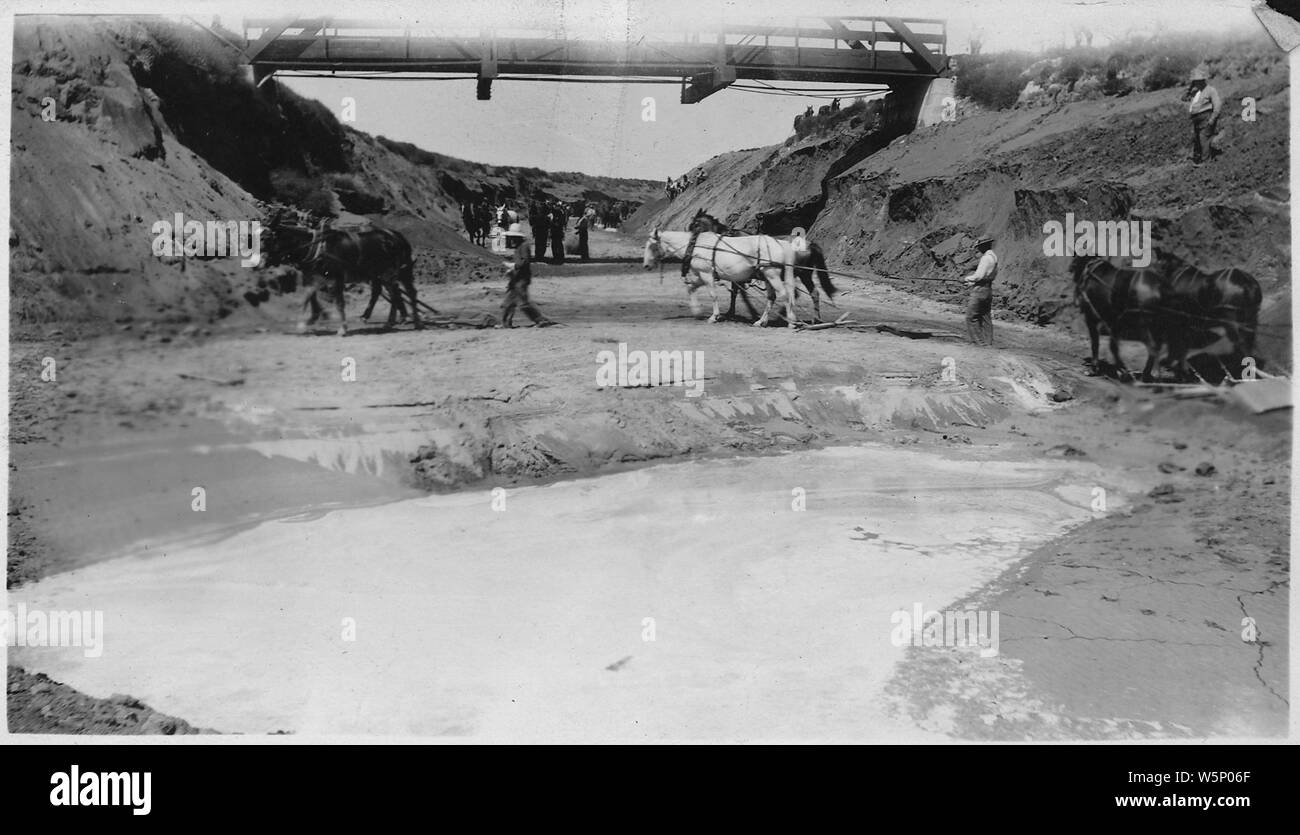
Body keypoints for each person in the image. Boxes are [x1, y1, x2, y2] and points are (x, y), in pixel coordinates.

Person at [499, 240, 553, 328]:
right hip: (516, 279)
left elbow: (524, 261)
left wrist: (514, 266)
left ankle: (540, 320)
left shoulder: (524, 246)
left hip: (521, 279)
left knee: (523, 303)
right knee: (509, 302)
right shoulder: (518, 247)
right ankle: (506, 323)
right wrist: (512, 270)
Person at [963, 236, 998, 346]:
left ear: (983, 246)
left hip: (979, 291)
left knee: (971, 317)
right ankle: (988, 343)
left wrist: (967, 279)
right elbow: (985, 276)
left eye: (979, 247)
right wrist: (971, 282)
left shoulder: (985, 258)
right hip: (988, 290)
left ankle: (979, 343)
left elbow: (978, 276)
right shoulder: (994, 257)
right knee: (986, 317)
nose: (978, 249)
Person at [1183, 67, 1222, 164]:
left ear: (1203, 80)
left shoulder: (1210, 90)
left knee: (1203, 138)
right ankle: (1198, 159)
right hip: (1197, 120)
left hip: (1206, 117)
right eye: (1195, 81)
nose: (1197, 83)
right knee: (1197, 139)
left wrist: (1212, 119)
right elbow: (1183, 98)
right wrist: (1189, 88)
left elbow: (1217, 105)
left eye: (1198, 81)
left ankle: (1206, 161)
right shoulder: (1195, 92)